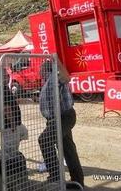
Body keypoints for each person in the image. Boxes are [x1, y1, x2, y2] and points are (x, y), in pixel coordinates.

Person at [38, 59, 84, 188]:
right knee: (68, 149)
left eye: (41, 69)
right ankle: (77, 181)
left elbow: (67, 77)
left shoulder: (54, 77)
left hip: (63, 117)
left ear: (46, 70)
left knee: (44, 140)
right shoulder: (48, 81)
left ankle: (55, 176)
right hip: (57, 119)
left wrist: (56, 60)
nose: (39, 71)